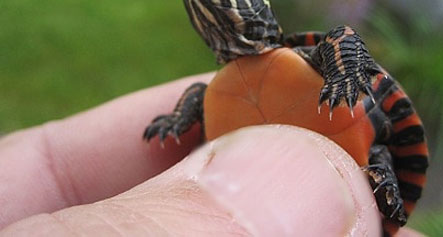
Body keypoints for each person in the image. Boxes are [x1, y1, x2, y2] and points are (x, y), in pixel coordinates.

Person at [0, 74, 419, 236]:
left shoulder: (299, 60)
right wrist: (182, 118)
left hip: (366, 151)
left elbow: (344, 37)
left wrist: (345, 66)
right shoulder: (214, 91)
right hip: (325, 197)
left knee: (375, 150)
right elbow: (203, 97)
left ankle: (385, 194)